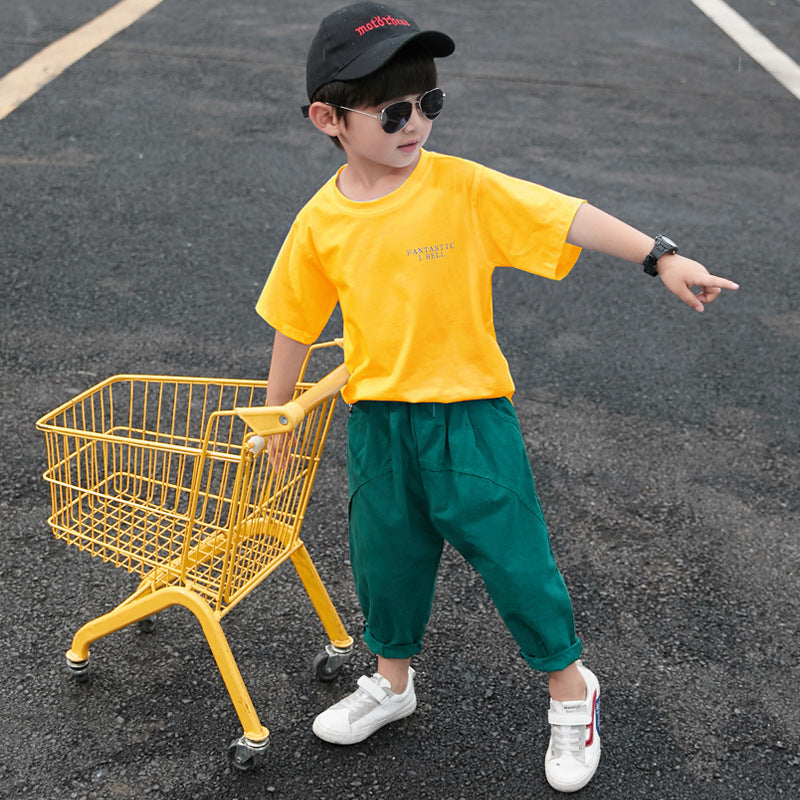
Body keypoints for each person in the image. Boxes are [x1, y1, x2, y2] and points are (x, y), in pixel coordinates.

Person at [256, 2, 738, 792]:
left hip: (471, 419)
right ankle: (393, 684)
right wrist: (279, 413)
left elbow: (565, 214)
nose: (417, 125)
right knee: (386, 564)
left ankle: (571, 691)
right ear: (327, 118)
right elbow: (292, 323)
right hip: (379, 423)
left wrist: (660, 257)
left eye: (430, 104)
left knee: (516, 563)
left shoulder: (461, 188)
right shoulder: (321, 222)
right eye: (395, 111)